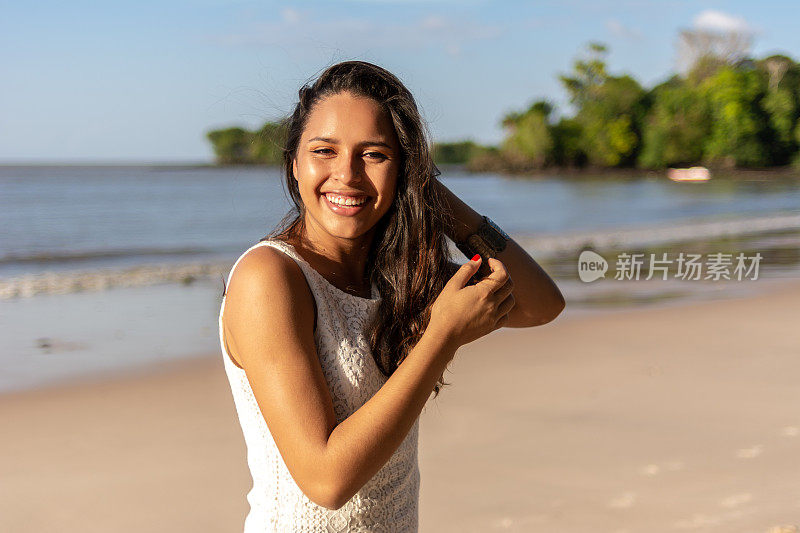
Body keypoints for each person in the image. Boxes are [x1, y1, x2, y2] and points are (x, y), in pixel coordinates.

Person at [217, 60, 565, 532]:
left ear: (404, 170)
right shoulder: (271, 277)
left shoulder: (398, 278)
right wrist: (442, 336)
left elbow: (541, 303)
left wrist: (432, 199)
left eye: (374, 155)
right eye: (324, 150)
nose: (347, 174)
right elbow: (326, 480)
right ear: (295, 164)